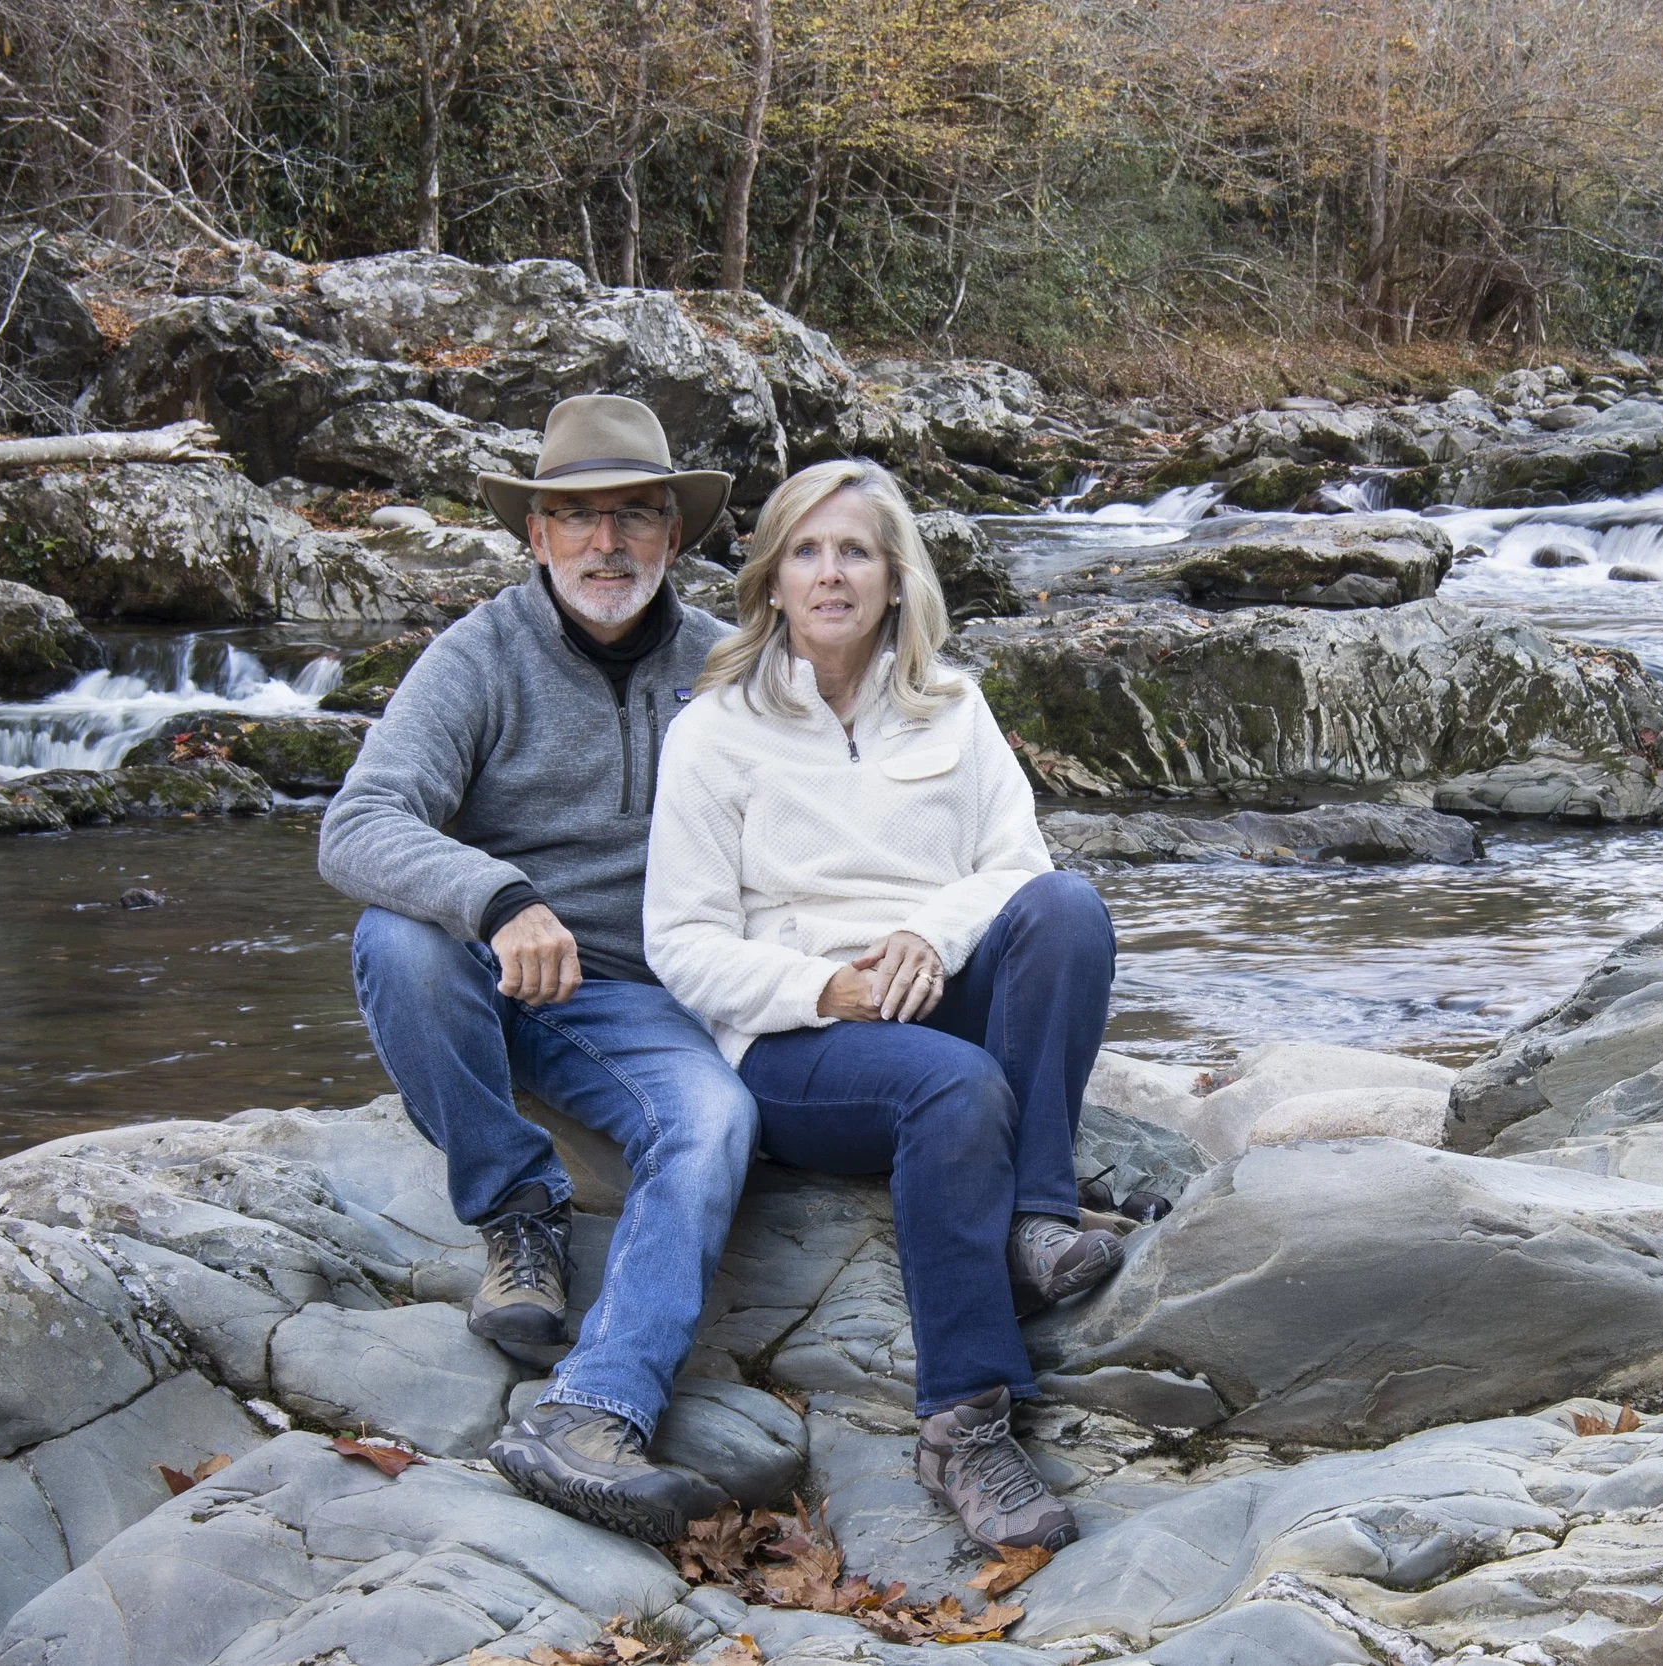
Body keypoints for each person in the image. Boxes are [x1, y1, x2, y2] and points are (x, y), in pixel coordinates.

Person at [644, 458, 1123, 1553]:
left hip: (929, 982)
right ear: (770, 579)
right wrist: (825, 985)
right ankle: (965, 1422)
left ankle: (1035, 1218)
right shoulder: (714, 730)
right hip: (795, 1046)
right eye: (805, 551)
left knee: (1069, 908)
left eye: (854, 549)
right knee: (953, 1085)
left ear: (896, 577)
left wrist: (927, 935)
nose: (830, 573)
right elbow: (680, 942)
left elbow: (1015, 866)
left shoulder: (952, 707)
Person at [317, 394, 752, 1544]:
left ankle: (590, 1414)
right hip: (495, 978)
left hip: (653, 1002)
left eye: (634, 518)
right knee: (397, 937)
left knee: (713, 1123)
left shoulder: (728, 666)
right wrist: (501, 897)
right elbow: (355, 825)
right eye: (577, 518)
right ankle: (520, 1214)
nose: (605, 544)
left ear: (674, 534)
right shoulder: (476, 656)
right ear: (535, 536)